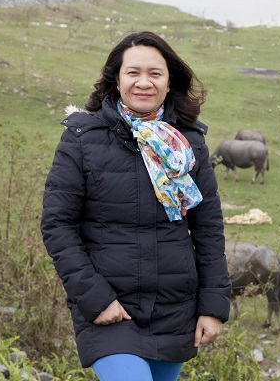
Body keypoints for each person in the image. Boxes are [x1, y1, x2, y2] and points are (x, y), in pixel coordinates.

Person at [41, 31, 231, 381]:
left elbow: (208, 228)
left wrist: (214, 306)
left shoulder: (188, 143)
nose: (144, 83)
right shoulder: (81, 139)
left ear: (169, 80)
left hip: (175, 309)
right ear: (116, 78)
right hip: (110, 308)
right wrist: (94, 298)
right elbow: (57, 225)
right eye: (133, 73)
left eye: (155, 74)